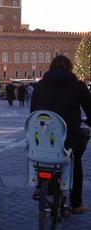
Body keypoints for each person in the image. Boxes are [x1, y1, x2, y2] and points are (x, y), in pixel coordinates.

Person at [31, 55, 91, 215]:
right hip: (70, 136)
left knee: (44, 154)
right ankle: (76, 203)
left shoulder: (39, 86)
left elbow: (33, 113)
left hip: (43, 137)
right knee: (76, 160)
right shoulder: (79, 86)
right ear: (70, 68)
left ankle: (41, 186)